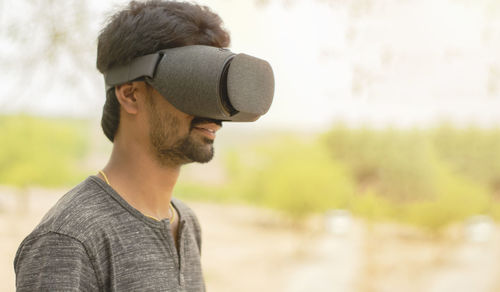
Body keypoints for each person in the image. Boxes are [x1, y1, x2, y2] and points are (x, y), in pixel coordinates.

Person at [14, 1, 233, 291]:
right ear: (130, 94)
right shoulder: (70, 240)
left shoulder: (186, 222)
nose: (214, 115)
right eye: (193, 85)